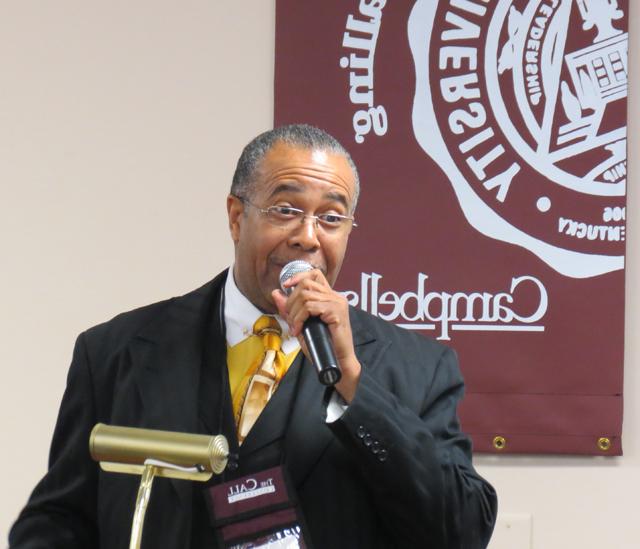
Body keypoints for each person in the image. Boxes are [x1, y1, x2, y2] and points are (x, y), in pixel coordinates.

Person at [9, 124, 497, 548]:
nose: (308, 236)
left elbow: (460, 532)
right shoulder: (115, 353)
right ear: (237, 216)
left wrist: (354, 385)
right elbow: (58, 521)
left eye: (331, 217)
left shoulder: (415, 369)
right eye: (286, 209)